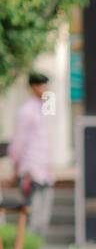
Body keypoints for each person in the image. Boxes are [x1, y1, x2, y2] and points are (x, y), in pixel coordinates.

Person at [7, 72, 55, 238]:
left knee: (43, 214)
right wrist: (17, 167)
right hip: (30, 170)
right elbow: (19, 142)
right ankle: (27, 248)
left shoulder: (44, 109)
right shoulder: (26, 111)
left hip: (44, 170)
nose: (46, 89)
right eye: (42, 85)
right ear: (34, 87)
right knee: (31, 213)